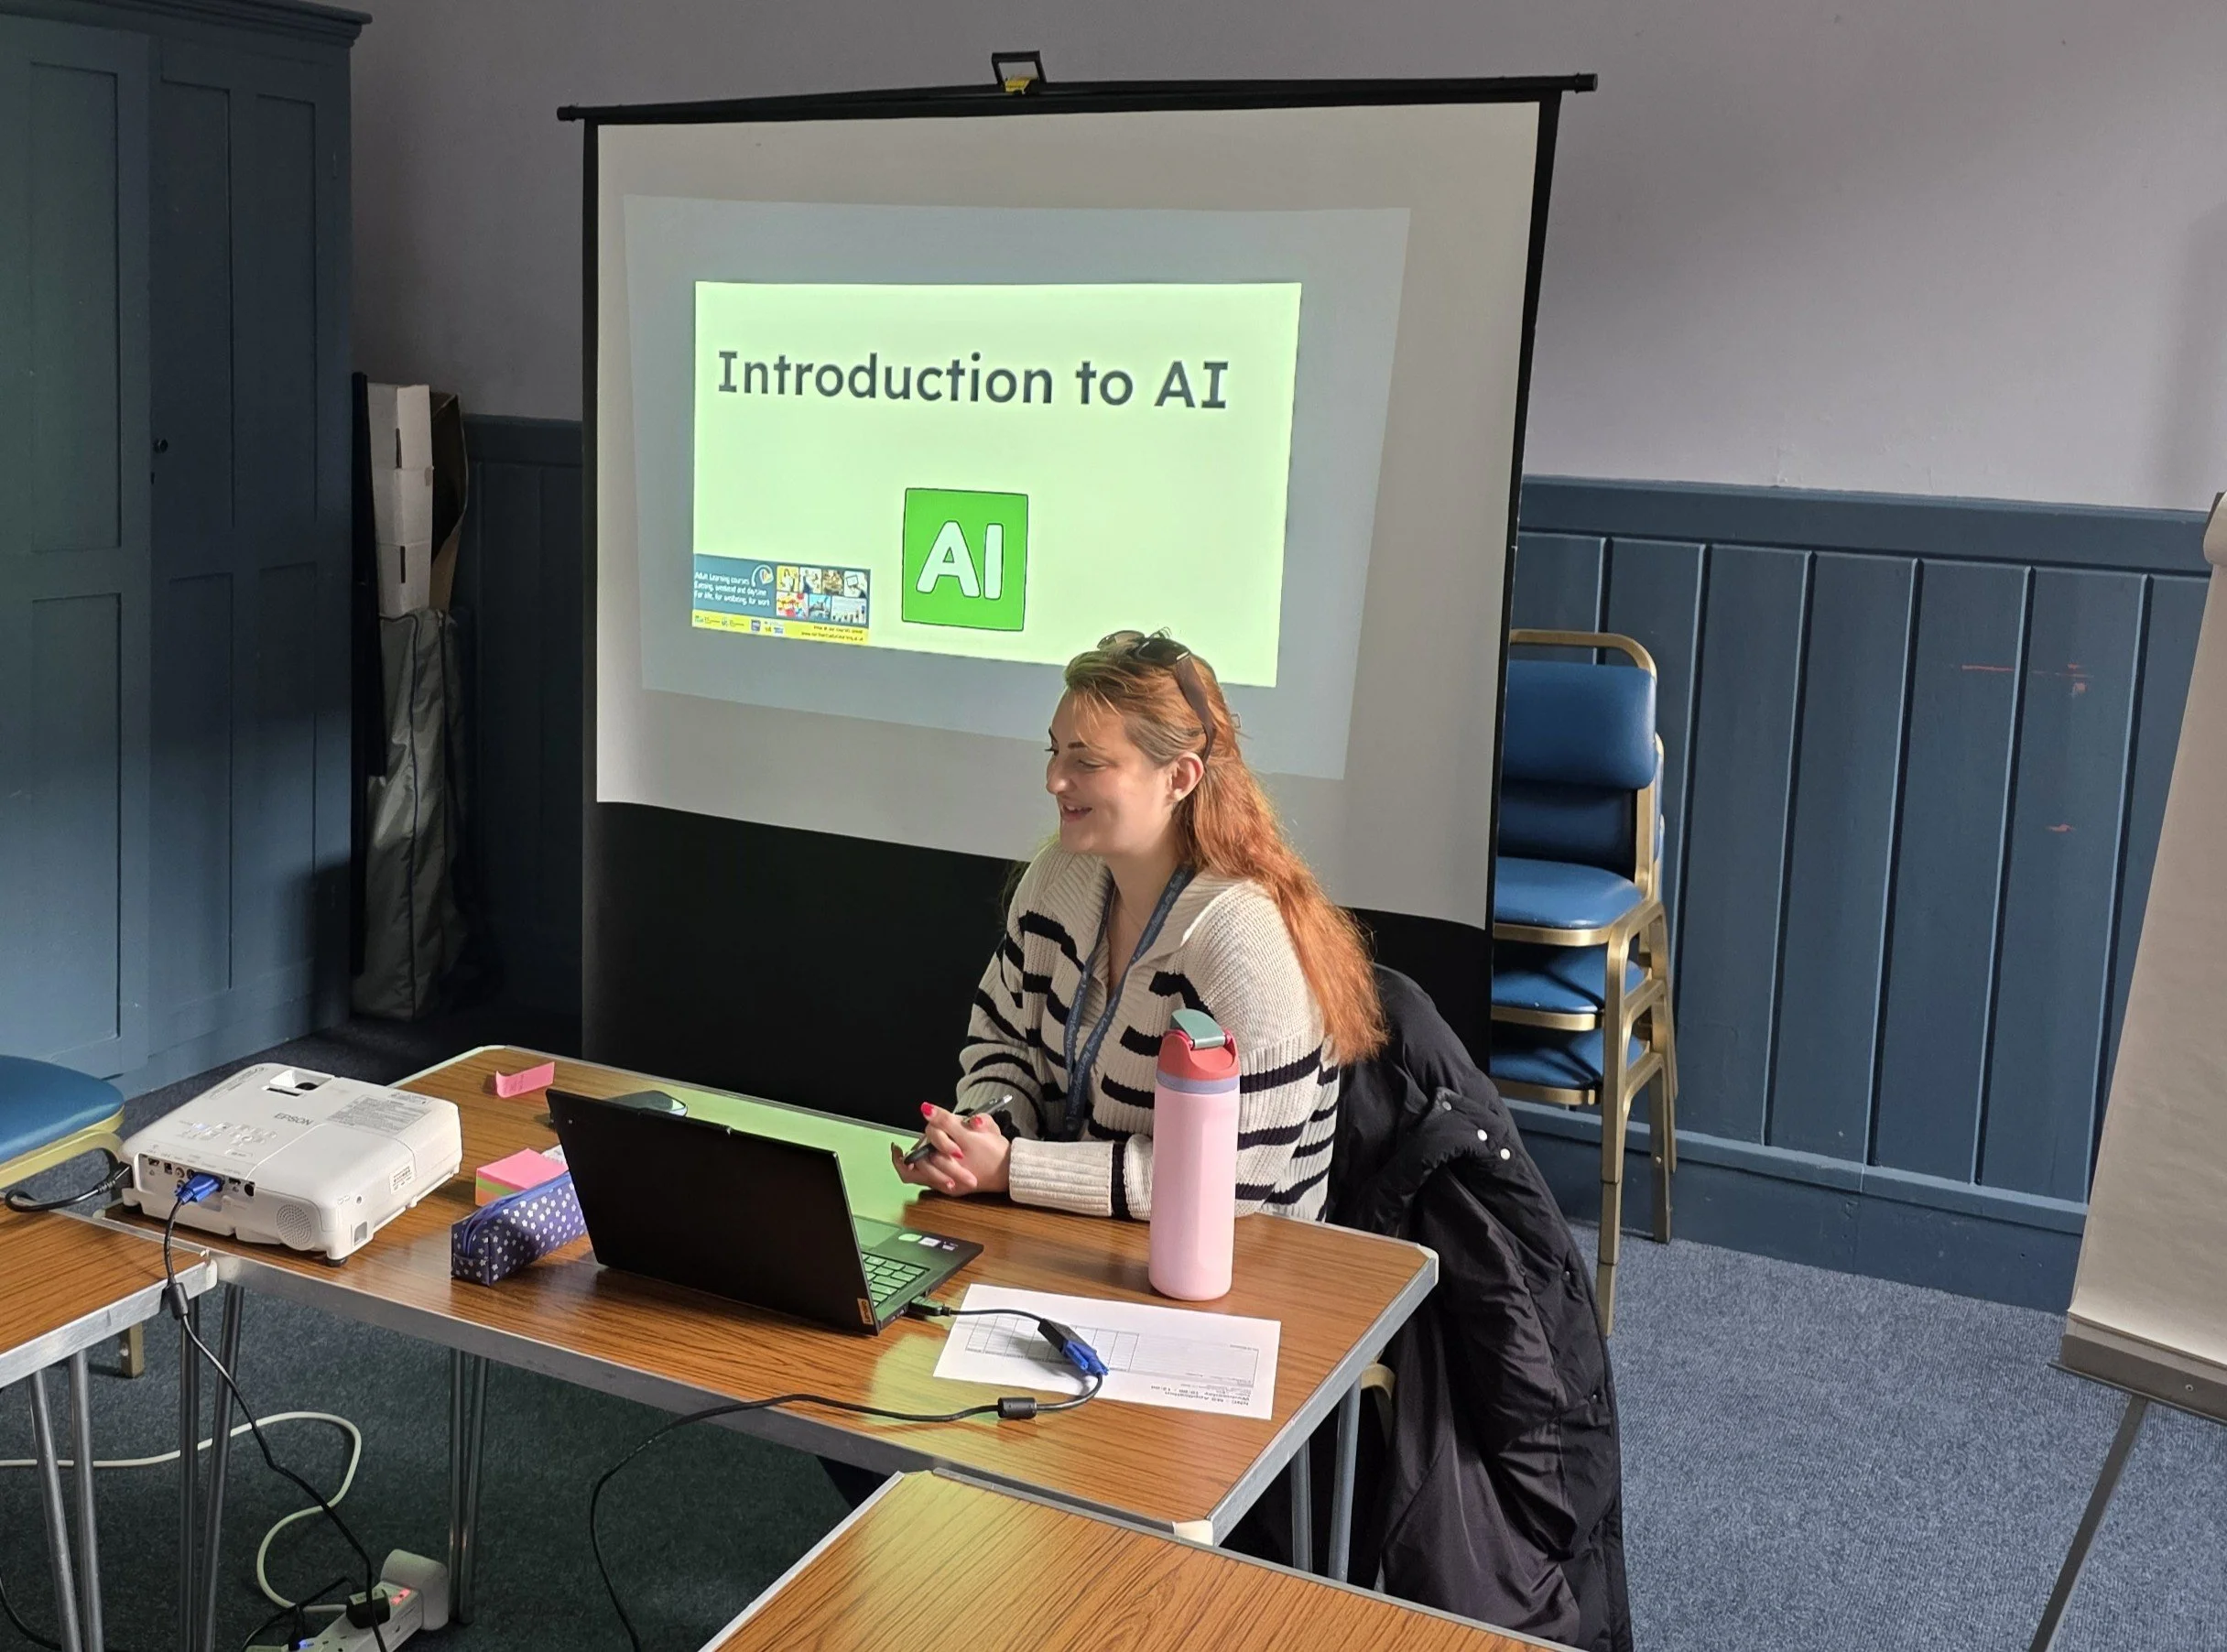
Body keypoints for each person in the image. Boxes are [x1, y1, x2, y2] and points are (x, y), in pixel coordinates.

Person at [892, 629, 1385, 1218]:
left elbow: (1224, 1182)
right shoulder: (1058, 879)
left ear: (1179, 778)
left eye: (1087, 762)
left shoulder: (1245, 943)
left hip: (1238, 1272)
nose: (1054, 780)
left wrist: (1014, 1169)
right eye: (1054, 752)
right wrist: (981, 1133)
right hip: (1073, 1236)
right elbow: (1003, 1044)